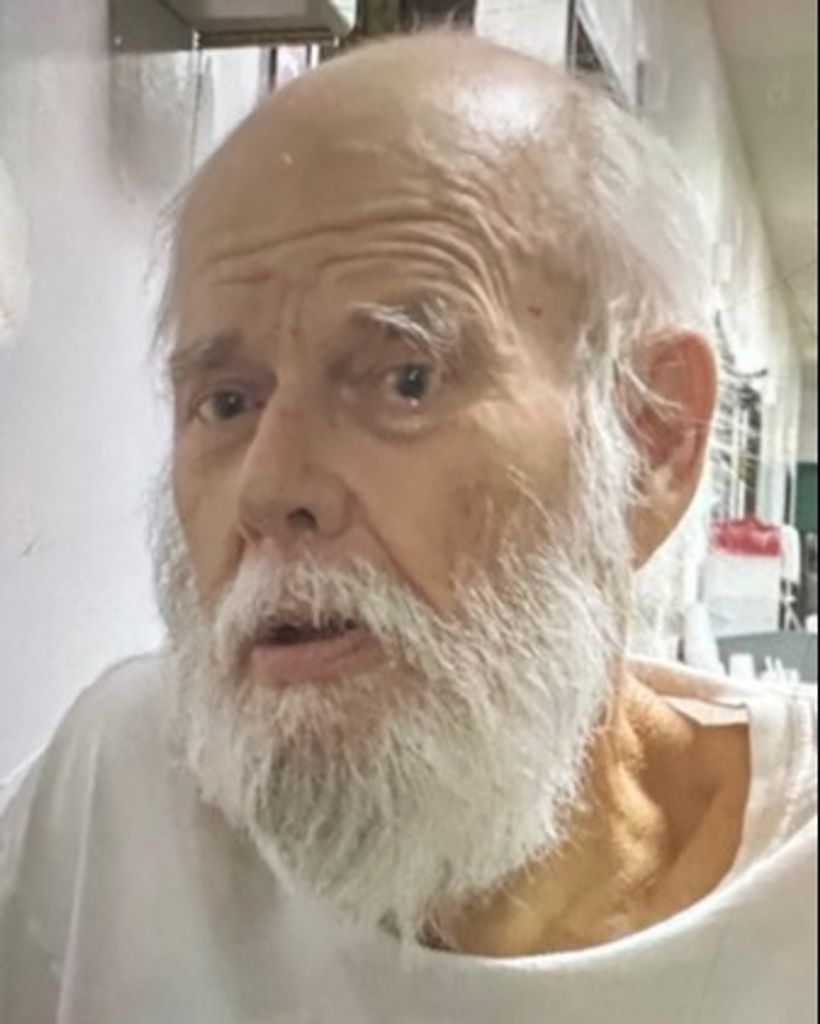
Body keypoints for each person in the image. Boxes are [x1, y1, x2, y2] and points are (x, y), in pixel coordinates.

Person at [1, 31, 815, 1024]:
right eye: (226, 401)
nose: (269, 488)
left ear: (651, 438)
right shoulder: (121, 790)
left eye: (406, 379)